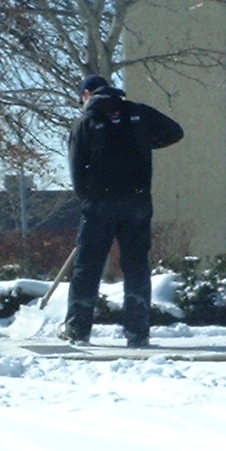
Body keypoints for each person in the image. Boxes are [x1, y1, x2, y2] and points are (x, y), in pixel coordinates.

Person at [62, 74, 183, 346]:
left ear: (88, 93)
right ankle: (137, 332)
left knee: (88, 267)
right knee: (137, 266)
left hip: (100, 204)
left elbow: (77, 169)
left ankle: (78, 330)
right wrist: (144, 143)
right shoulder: (139, 113)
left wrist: (89, 199)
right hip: (137, 202)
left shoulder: (85, 122)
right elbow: (175, 132)